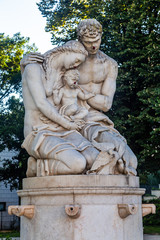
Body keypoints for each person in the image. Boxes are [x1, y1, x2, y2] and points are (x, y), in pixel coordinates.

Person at [21, 19, 137, 176]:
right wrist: (24, 65)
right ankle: (39, 166)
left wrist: (78, 93)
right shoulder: (53, 67)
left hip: (82, 121)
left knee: (121, 161)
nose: (93, 46)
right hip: (54, 125)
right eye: (88, 43)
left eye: (96, 40)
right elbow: (39, 98)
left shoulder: (107, 65)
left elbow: (106, 104)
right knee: (80, 163)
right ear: (78, 42)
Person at [21, 40, 99, 177]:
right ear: (66, 51)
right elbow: (41, 103)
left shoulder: (63, 75)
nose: (76, 65)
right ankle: (37, 166)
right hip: (39, 131)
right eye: (76, 60)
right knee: (77, 164)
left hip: (62, 129)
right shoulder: (33, 68)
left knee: (95, 159)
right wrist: (69, 124)